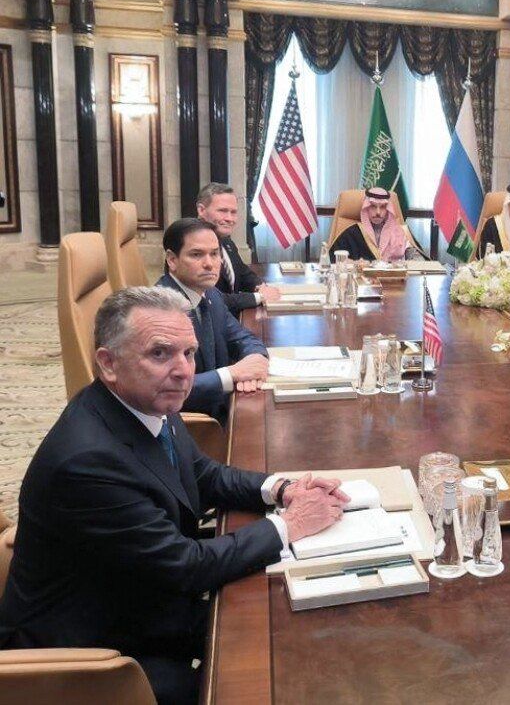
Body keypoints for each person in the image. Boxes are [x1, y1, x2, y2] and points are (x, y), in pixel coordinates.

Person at [0, 287, 348, 704]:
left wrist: (281, 489)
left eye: (189, 353)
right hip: (97, 656)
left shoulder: (141, 403)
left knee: (306, 617)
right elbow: (186, 566)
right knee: (278, 659)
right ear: (108, 363)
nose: (183, 371)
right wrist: (290, 525)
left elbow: (202, 473)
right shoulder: (88, 461)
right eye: (160, 353)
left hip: (142, 594)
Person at [156, 218, 270, 422]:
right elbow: (163, 387)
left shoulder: (211, 294)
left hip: (226, 408)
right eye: (196, 254)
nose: (209, 264)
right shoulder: (160, 312)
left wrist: (256, 359)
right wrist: (231, 375)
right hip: (194, 425)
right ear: (172, 260)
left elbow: (242, 337)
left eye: (215, 254)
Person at [196, 182, 282, 317]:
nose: (229, 218)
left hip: (231, 321)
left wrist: (260, 286)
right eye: (222, 211)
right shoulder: (192, 247)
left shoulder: (226, 242)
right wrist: (259, 297)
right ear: (201, 210)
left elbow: (243, 274)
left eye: (233, 212)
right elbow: (208, 299)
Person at [329, 188, 423, 262]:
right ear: (366, 208)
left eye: (383, 207)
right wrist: (352, 263)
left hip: (394, 280)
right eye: (373, 206)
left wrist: (413, 260)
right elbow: (334, 260)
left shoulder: (401, 232)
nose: (378, 212)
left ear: (388, 210)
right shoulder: (351, 233)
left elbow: (418, 260)